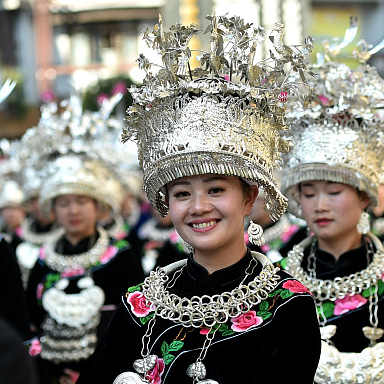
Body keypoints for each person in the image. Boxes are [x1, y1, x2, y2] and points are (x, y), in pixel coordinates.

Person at [77, 15, 321, 384]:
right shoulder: (138, 303)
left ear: (248, 197)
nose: (198, 206)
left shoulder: (287, 307)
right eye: (181, 193)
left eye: (216, 189)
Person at [279, 54, 384, 383]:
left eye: (334, 192)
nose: (319, 206)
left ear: (364, 196)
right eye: (308, 194)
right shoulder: (278, 280)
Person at [25, 101, 145, 384]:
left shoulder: (121, 256)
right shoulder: (42, 258)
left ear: (99, 206)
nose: (73, 211)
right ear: (53, 209)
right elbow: (30, 320)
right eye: (64, 203)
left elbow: (133, 326)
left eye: (81, 201)